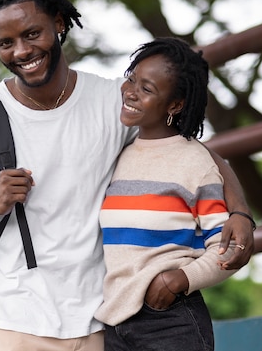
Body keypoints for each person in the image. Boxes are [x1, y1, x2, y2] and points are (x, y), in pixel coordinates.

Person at [0, 0, 255, 351]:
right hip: (17, 320)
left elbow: (193, 154)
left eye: (32, 33)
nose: (21, 51)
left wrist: (240, 212)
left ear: (59, 24)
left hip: (102, 322)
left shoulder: (111, 101)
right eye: (5, 43)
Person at [96, 37, 240, 351]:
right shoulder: (119, 155)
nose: (131, 92)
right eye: (132, 79)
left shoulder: (194, 162)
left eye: (147, 89)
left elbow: (227, 248)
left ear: (175, 105)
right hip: (114, 322)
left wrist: (179, 280)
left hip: (169, 321)